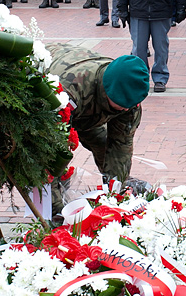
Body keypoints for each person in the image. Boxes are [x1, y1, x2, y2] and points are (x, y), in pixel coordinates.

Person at [45, 44, 151, 192]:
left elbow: (120, 147)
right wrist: (56, 208)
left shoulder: (129, 98)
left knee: (102, 143)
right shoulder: (70, 90)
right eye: (122, 103)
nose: (126, 109)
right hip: (54, 94)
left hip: (89, 109)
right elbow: (47, 148)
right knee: (57, 160)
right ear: (109, 91)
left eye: (130, 105)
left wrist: (116, 194)